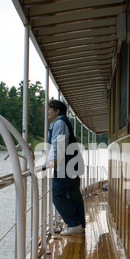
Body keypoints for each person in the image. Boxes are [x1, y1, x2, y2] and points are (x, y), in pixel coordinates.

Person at [47, 99, 86, 237]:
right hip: (73, 163)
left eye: (49, 109)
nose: (47, 112)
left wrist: (53, 162)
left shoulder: (60, 122)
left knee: (57, 194)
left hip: (66, 164)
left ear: (57, 111)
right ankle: (80, 224)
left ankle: (74, 224)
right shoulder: (62, 122)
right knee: (74, 194)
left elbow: (59, 143)